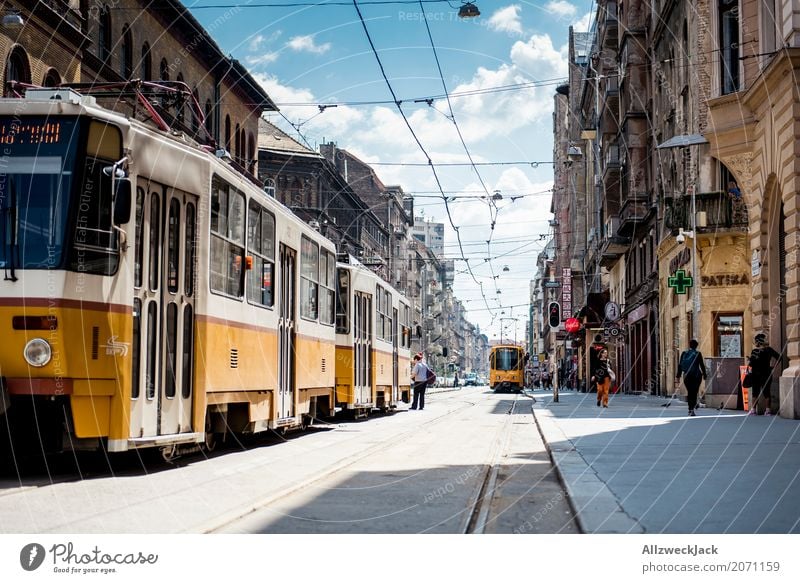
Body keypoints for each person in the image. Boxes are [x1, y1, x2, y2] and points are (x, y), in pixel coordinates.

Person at [747, 333, 781, 416]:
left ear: (757, 342)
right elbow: (779, 357)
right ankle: (768, 410)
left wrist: (750, 360)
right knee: (767, 392)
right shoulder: (769, 350)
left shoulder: (755, 351)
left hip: (756, 374)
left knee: (755, 392)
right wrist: (773, 367)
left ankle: (753, 410)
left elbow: (752, 364)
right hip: (767, 373)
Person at [675, 338, 708, 416]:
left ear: (689, 345)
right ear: (696, 346)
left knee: (690, 392)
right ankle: (692, 407)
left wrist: (678, 376)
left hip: (686, 375)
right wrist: (704, 374)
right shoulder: (698, 353)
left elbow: (680, 365)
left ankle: (690, 409)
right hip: (696, 375)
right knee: (694, 391)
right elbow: (702, 365)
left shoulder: (684, 353)